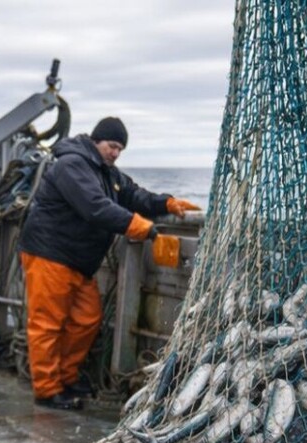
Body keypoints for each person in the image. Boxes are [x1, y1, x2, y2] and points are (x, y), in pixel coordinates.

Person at [18, 117, 200, 410]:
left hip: (79, 262)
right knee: (48, 325)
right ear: (96, 140)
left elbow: (132, 194)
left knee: (86, 320)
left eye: (120, 149)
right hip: (50, 255)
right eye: (112, 146)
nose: (115, 153)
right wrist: (142, 227)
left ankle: (67, 378)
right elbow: (95, 207)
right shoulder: (72, 165)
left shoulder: (107, 172)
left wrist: (166, 203)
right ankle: (48, 390)